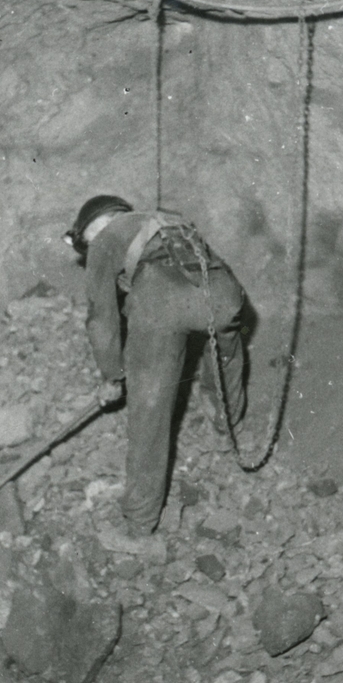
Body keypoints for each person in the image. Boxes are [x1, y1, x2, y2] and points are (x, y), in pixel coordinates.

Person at [64, 195, 248, 538]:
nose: (90, 247)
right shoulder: (171, 218)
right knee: (226, 348)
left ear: (93, 228)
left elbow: (100, 318)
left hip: (160, 304)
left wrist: (113, 375)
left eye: (86, 241)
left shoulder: (106, 240)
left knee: (150, 410)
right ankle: (228, 423)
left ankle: (140, 520)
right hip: (225, 294)